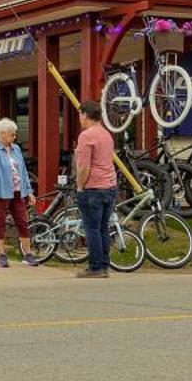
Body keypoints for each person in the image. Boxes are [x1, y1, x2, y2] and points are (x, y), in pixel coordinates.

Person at [0, 118, 39, 268]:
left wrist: (29, 192)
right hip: (2, 193)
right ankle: (2, 254)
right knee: (0, 223)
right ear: (2, 134)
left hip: (18, 192)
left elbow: (23, 172)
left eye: (14, 135)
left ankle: (28, 254)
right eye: (12, 134)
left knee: (23, 222)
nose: (14, 137)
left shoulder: (16, 149)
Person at [73, 100, 118, 277]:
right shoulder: (107, 135)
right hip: (109, 186)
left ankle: (95, 267)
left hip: (93, 188)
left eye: (80, 115)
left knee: (92, 228)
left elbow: (84, 166)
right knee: (103, 227)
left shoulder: (86, 136)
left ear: (85, 115)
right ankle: (105, 265)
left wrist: (80, 186)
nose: (79, 119)